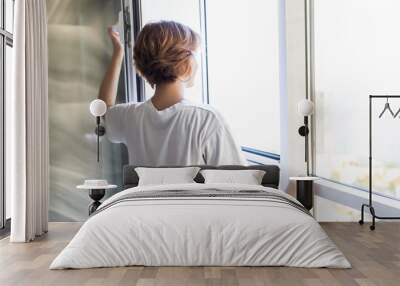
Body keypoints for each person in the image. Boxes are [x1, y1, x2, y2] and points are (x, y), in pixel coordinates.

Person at [99, 21, 246, 166]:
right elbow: (239, 184)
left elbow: (102, 110)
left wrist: (118, 53)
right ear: (183, 63)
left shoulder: (131, 117)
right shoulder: (207, 120)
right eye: (195, 55)